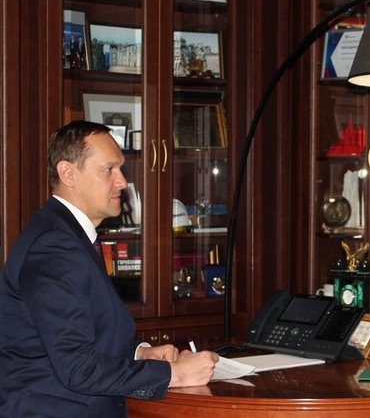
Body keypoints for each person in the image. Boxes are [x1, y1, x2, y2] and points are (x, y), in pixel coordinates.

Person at [0, 121, 219, 417]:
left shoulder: (67, 235)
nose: (122, 182)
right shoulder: (54, 246)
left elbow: (80, 334)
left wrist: (140, 353)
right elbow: (77, 368)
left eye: (121, 169)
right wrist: (174, 374)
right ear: (68, 173)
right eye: (109, 170)